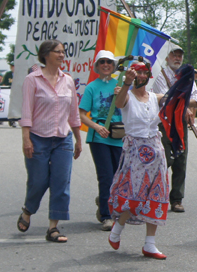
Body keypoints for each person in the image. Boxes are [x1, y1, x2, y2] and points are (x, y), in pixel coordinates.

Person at [17, 39, 82, 243]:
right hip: (38, 138)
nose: (62, 55)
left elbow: (74, 114)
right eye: (57, 52)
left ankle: (53, 228)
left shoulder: (68, 80)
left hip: (63, 139)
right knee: (38, 181)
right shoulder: (32, 79)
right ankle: (28, 210)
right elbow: (26, 112)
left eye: (63, 52)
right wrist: (26, 139)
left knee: (61, 182)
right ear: (46, 54)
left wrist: (78, 139)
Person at [108, 60, 168, 260]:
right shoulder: (125, 94)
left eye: (144, 73)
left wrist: (184, 106)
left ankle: (150, 244)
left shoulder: (154, 97)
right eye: (137, 73)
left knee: (157, 196)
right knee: (136, 196)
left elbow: (173, 100)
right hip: (135, 151)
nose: (141, 76)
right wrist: (126, 83)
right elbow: (119, 104)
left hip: (156, 150)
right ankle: (117, 228)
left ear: (149, 75)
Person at [152, 44, 197, 212]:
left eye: (180, 55)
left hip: (180, 123)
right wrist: (183, 102)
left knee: (181, 160)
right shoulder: (159, 74)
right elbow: (165, 98)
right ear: (167, 57)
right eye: (174, 55)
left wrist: (182, 103)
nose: (177, 58)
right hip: (163, 123)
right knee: (164, 160)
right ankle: (158, 195)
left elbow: (196, 99)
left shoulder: (187, 77)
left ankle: (177, 199)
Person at [79, 50, 123, 231]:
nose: (106, 65)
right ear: (97, 66)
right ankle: (106, 215)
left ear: (114, 66)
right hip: (99, 137)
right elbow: (82, 114)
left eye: (109, 62)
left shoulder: (120, 84)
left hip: (118, 136)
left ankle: (111, 205)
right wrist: (96, 127)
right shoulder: (91, 87)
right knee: (106, 176)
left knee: (118, 177)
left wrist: (123, 94)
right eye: (102, 62)